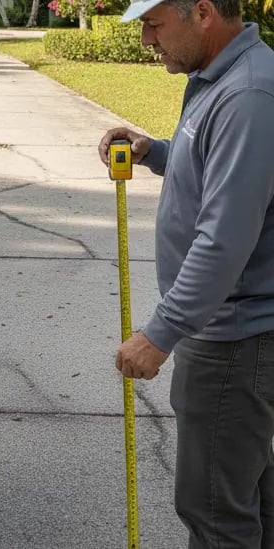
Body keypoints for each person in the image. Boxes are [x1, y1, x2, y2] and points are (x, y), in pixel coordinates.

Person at [98, 0, 274, 546]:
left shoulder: (247, 94)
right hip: (227, 331)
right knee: (244, 493)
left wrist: (159, 333)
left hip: (231, 339)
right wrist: (156, 153)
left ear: (201, 12)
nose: (148, 40)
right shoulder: (222, 80)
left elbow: (224, 238)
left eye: (153, 24)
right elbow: (215, 167)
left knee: (214, 511)